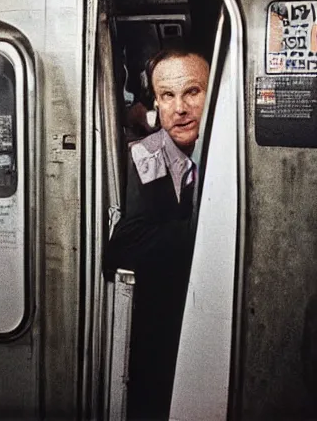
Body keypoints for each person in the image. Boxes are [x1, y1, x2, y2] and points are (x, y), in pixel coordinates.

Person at [103, 48, 210, 420]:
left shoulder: (234, 158)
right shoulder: (144, 155)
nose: (179, 108)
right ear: (156, 104)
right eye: (167, 96)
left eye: (193, 92)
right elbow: (125, 247)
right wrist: (211, 230)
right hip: (160, 335)